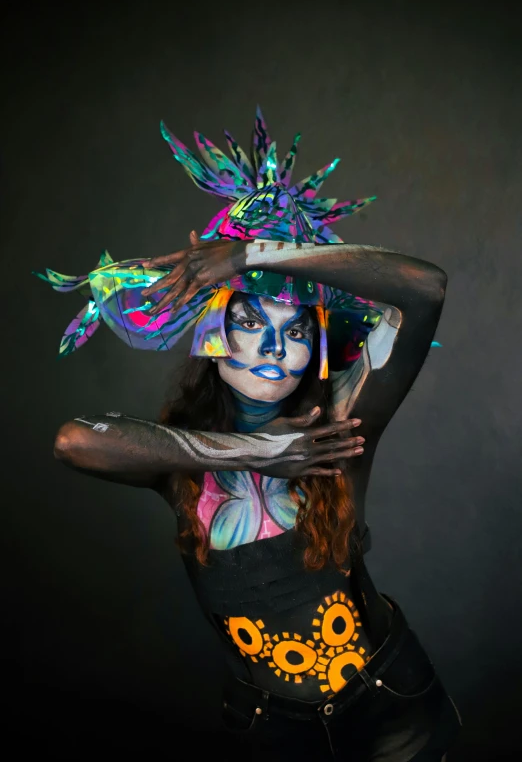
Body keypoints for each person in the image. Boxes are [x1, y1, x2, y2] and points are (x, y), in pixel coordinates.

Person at [40, 108, 461, 760]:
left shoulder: (343, 422)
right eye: (251, 322)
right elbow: (73, 440)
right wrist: (262, 451)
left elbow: (426, 288)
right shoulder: (176, 454)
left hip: (394, 715)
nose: (272, 347)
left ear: (314, 348)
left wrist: (253, 255)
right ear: (213, 334)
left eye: (295, 330)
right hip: (271, 731)